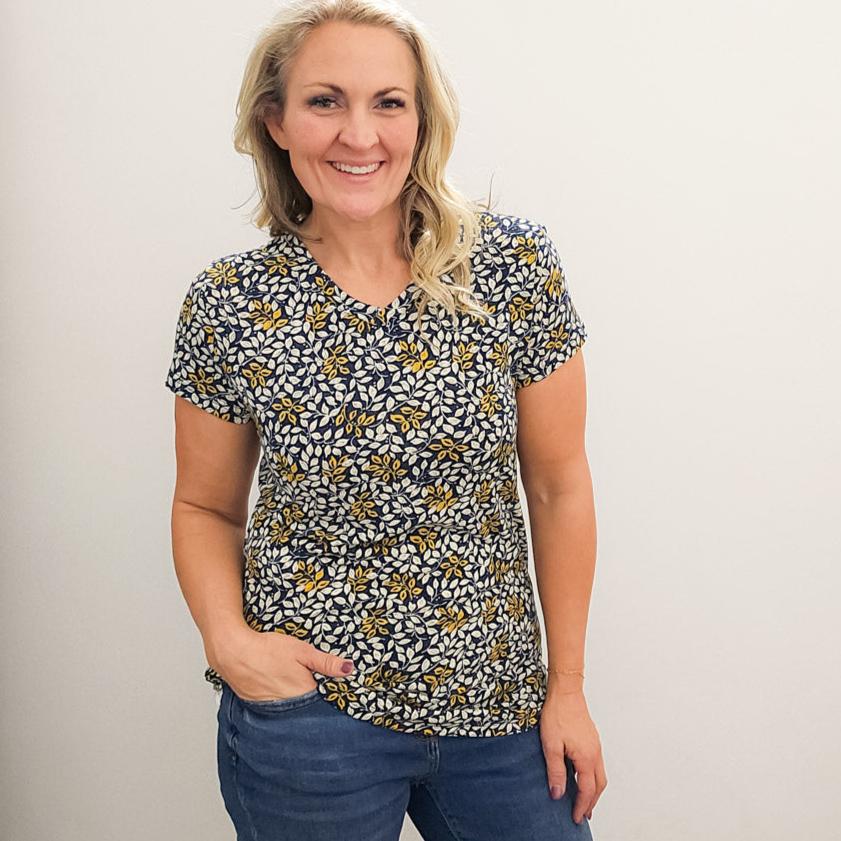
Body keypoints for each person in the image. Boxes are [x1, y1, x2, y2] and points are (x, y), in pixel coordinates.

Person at [164, 0, 607, 838]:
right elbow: (204, 506)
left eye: (388, 103)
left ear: (422, 120)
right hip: (311, 717)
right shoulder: (229, 302)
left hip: (500, 705)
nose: (358, 134)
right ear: (276, 121)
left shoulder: (511, 266)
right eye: (324, 101)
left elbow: (558, 485)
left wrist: (569, 687)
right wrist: (229, 643)